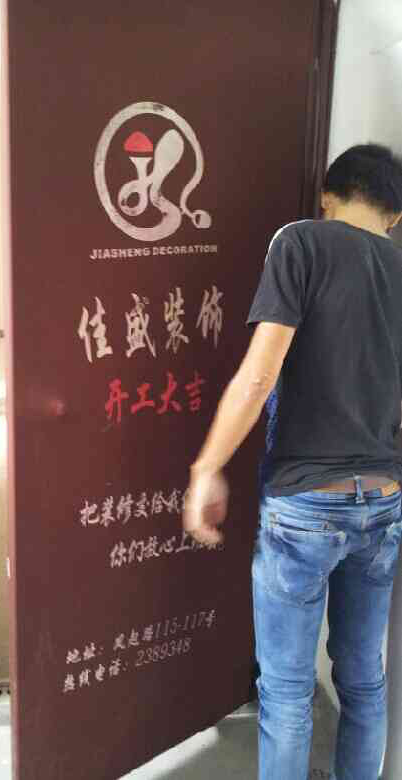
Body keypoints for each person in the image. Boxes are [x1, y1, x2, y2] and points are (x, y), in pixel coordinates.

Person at [183, 143, 402, 780]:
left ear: (327, 197)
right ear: (394, 215)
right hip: (385, 499)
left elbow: (260, 375)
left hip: (307, 503)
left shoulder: (301, 241)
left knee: (285, 689)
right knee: (364, 680)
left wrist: (207, 467)